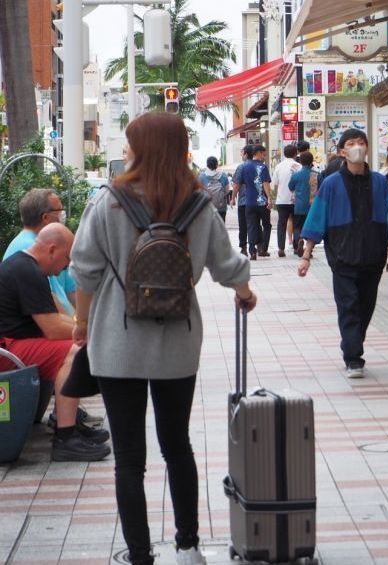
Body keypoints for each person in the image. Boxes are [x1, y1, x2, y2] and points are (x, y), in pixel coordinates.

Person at [69, 111, 256, 565]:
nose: (126, 150)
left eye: (131, 142)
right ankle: (188, 547)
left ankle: (138, 554)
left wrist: (81, 325)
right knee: (177, 445)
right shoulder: (196, 203)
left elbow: (84, 270)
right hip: (177, 344)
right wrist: (244, 292)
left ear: (142, 148)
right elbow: (225, 263)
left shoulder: (107, 201)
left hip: (117, 343)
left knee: (129, 458)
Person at [0, 223, 111, 461]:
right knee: (73, 353)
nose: (66, 267)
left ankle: (66, 423)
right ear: (52, 249)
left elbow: (57, 317)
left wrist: (86, 326)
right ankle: (66, 438)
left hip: (15, 344)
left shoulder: (28, 267)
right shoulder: (27, 270)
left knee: (76, 347)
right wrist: (91, 331)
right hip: (9, 349)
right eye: (67, 258)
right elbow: (51, 329)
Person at [298, 128, 388, 378]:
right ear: (342, 152)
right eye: (351, 143)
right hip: (342, 256)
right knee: (348, 306)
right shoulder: (331, 184)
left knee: (366, 307)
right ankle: (353, 356)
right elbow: (317, 217)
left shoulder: (379, 182)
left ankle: (352, 343)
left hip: (374, 256)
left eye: (362, 143)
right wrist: (307, 255)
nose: (357, 147)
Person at [3, 188, 76, 315]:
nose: (63, 214)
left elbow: (72, 289)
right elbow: (50, 301)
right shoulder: (29, 250)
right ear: (46, 217)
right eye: (59, 210)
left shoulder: (55, 245)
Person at [238, 144, 272, 260]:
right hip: (262, 202)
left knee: (252, 225)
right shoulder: (263, 167)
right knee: (266, 225)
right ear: (257, 153)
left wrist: (233, 198)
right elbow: (265, 183)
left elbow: (238, 183)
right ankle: (263, 249)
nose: (264, 156)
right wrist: (270, 198)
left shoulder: (244, 167)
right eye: (263, 153)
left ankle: (252, 251)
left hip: (249, 202)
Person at [271, 144, 301, 257]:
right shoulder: (298, 166)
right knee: (297, 223)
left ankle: (281, 248)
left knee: (281, 224)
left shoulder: (279, 166)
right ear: (295, 153)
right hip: (295, 200)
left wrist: (279, 194)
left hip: (282, 200)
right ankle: (297, 246)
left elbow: (275, 185)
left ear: (284, 153)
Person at [288, 151, 318, 257]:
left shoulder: (296, 175)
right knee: (312, 228)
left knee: (297, 227)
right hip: (313, 206)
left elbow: (290, 187)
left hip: (299, 206)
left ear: (300, 161)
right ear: (311, 161)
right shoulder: (316, 175)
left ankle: (299, 241)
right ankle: (309, 250)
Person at [231, 145, 252, 256]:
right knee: (255, 224)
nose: (241, 155)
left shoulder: (241, 167)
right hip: (257, 201)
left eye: (242, 152)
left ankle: (244, 247)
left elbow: (236, 184)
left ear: (246, 154)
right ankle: (255, 247)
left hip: (244, 201)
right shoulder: (260, 166)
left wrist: (233, 198)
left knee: (243, 225)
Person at [198, 156, 230, 222]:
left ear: (207, 165)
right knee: (221, 228)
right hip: (221, 208)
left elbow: (199, 192)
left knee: (208, 229)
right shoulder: (223, 175)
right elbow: (227, 191)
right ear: (216, 165)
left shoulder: (202, 176)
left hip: (207, 208)